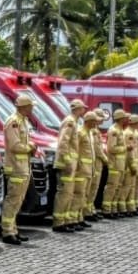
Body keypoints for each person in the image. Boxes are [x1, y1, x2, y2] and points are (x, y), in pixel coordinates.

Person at [0, 93, 35, 245]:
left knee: (18, 201)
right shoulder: (13, 122)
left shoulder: (23, 121)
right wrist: (30, 147)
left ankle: (13, 229)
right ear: (24, 107)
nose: (32, 109)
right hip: (15, 167)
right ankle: (7, 232)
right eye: (30, 106)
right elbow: (14, 146)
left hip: (23, 167)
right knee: (12, 200)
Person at [53, 98, 88, 232]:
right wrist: (67, 161)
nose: (84, 110)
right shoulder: (70, 122)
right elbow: (63, 143)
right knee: (64, 193)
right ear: (78, 109)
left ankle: (65, 221)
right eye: (83, 108)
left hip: (71, 165)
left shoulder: (74, 122)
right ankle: (59, 222)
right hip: (66, 165)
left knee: (69, 193)